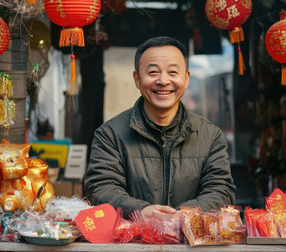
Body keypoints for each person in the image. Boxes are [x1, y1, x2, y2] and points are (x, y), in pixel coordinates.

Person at [84, 36, 235, 218]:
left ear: (186, 79)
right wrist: (140, 212)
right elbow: (100, 188)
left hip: (191, 244)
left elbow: (221, 190)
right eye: (153, 72)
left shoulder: (210, 136)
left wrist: (184, 215)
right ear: (137, 79)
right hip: (131, 242)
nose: (163, 81)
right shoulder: (109, 135)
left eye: (173, 72)